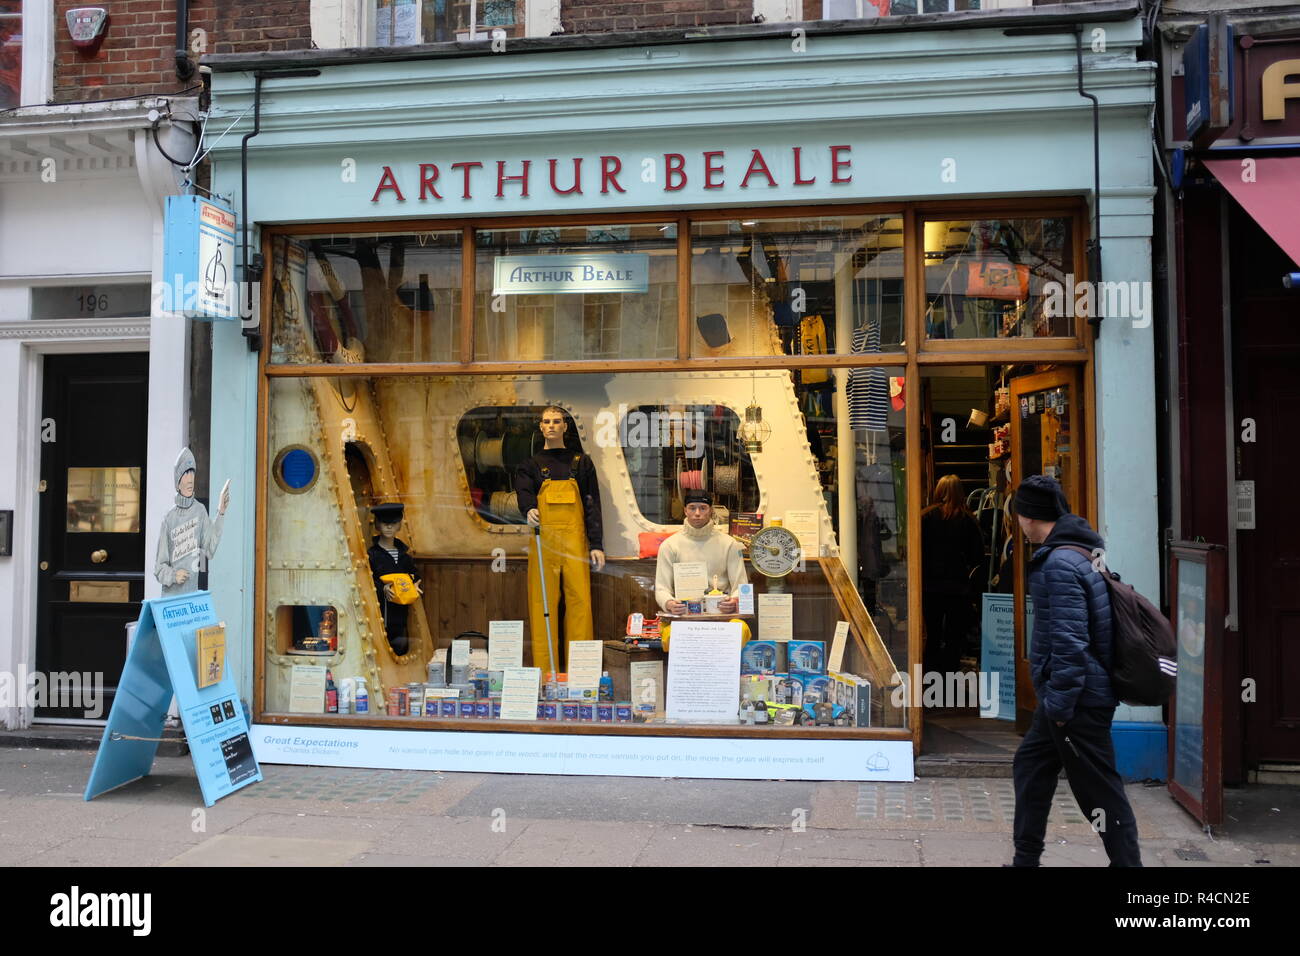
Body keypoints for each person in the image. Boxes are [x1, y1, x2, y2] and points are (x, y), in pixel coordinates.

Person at [1010, 474, 1142, 867]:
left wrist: (1061, 706)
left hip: (1076, 698)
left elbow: (1070, 640)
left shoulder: (1059, 564)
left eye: (1018, 515)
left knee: (1100, 793)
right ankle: (1025, 859)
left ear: (1029, 516)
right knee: (1031, 766)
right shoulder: (1081, 552)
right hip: (1072, 694)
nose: (1017, 523)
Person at [514, 405, 605, 672]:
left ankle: (582, 676)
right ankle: (544, 676)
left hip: (576, 544)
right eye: (546, 422)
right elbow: (523, 495)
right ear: (540, 427)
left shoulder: (581, 463)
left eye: (557, 421)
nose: (551, 425)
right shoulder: (529, 466)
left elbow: (592, 505)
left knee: (581, 605)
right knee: (542, 605)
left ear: (565, 426)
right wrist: (528, 508)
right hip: (544, 543)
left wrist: (597, 544)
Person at [920, 474, 985, 682]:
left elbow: (916, 552)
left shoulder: (925, 517)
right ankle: (949, 679)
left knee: (932, 634)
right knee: (955, 636)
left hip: (930, 585)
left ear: (938, 491)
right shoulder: (968, 520)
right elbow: (978, 556)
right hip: (958, 587)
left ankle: (930, 678)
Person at [654, 491, 748, 615]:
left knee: (742, 630)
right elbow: (661, 588)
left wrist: (734, 601)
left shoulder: (730, 544)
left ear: (711, 511)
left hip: (721, 615)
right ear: (685, 511)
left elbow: (741, 586)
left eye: (703, 508)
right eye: (692, 508)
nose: (697, 513)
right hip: (685, 614)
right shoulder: (669, 546)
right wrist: (669, 603)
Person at [155, 447, 228, 596]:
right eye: (185, 474)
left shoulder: (200, 511)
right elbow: (159, 568)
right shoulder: (169, 518)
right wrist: (174, 575)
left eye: (192, 473)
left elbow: (209, 549)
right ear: (177, 482)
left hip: (192, 597)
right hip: (171, 599)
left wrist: (221, 512)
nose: (190, 479)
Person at [367, 502, 422, 656]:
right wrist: (381, 588)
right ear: (377, 524)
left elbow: (414, 574)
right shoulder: (372, 555)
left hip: (402, 613)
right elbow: (368, 579)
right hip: (381, 613)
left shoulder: (404, 555)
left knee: (401, 646)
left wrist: (414, 585)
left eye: (393, 523)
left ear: (399, 525)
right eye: (385, 523)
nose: (389, 527)